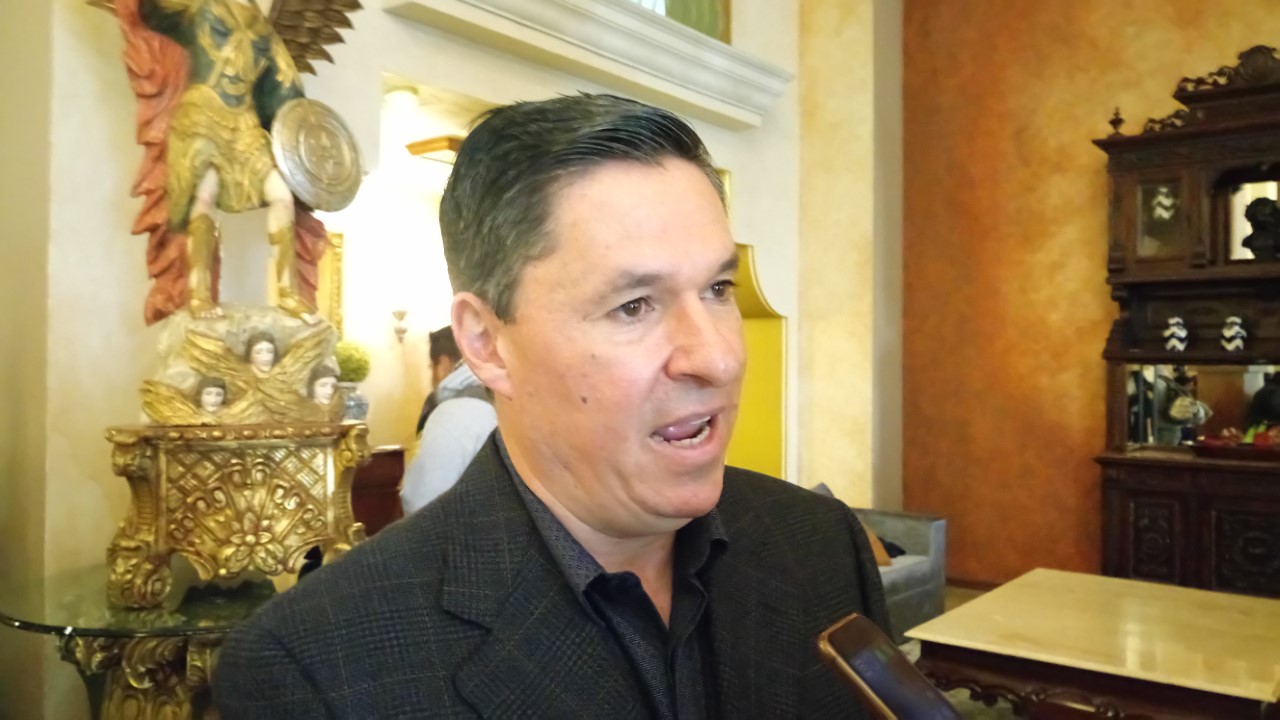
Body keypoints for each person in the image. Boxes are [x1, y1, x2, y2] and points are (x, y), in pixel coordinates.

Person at [213, 93, 888, 719]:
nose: (718, 358)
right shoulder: (316, 668)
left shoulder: (819, 545)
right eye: (634, 306)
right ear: (488, 343)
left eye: (717, 289)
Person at [402, 326, 497, 514]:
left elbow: (423, 502)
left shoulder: (456, 412)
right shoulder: (505, 399)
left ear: (443, 364)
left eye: (431, 367)